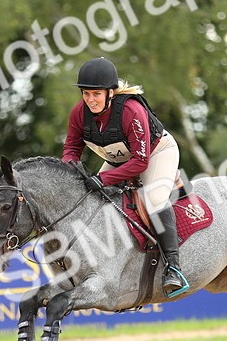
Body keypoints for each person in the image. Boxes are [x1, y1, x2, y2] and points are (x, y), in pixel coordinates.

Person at [61, 56, 189, 298]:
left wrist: (103, 180)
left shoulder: (131, 110)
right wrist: (70, 170)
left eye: (96, 94)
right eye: (86, 94)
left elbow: (140, 162)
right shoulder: (79, 113)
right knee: (91, 199)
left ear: (111, 92)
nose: (90, 100)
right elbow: (71, 149)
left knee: (153, 199)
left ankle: (173, 267)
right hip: (119, 158)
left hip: (155, 153)